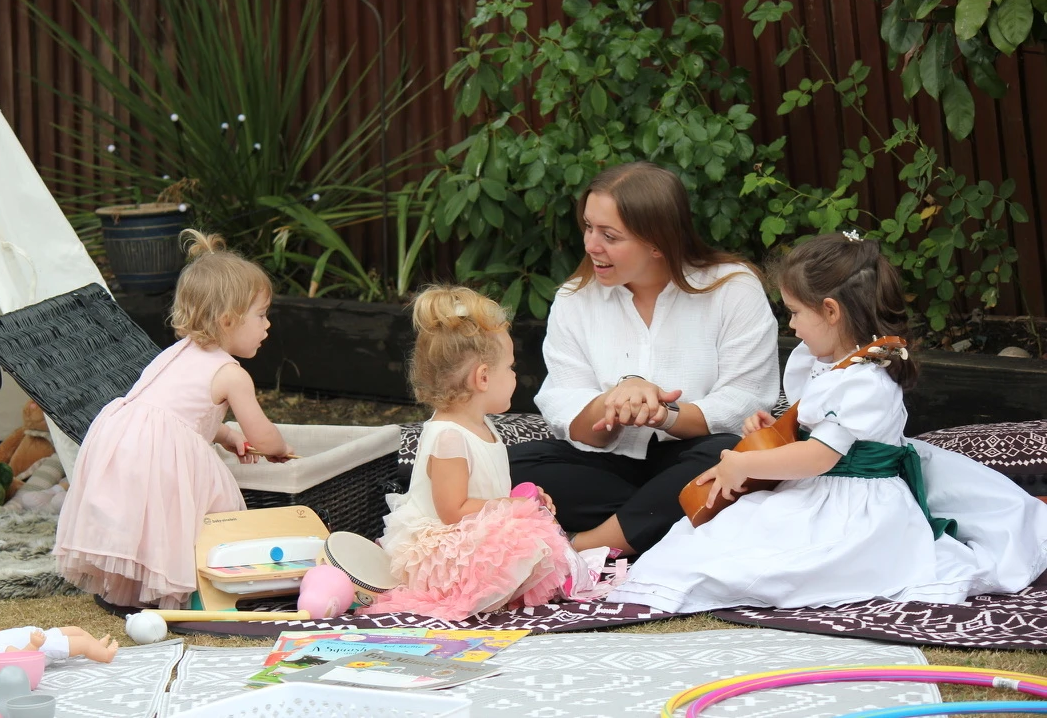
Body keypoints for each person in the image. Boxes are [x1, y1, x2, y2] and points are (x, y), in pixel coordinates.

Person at [608, 232, 1045, 613]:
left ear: (832, 311)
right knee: (721, 539)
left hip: (852, 502)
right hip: (821, 485)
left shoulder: (866, 381)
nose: (792, 326)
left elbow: (820, 456)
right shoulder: (832, 364)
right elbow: (819, 427)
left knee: (773, 560)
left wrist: (744, 465)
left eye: (796, 312)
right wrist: (778, 428)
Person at [508, 161, 779, 556]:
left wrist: (663, 415)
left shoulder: (733, 289)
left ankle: (585, 546)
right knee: (493, 468)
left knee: (731, 454)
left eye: (609, 235)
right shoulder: (574, 299)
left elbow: (745, 400)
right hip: (605, 462)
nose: (590, 245)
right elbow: (564, 402)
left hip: (697, 455)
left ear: (657, 242)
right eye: (588, 226)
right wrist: (612, 403)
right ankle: (666, 516)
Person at [54, 230, 293, 609]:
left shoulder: (176, 353)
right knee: (190, 518)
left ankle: (134, 588)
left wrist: (227, 435)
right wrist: (279, 449)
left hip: (123, 445)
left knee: (145, 524)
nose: (267, 326)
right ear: (229, 320)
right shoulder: (232, 375)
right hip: (160, 456)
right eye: (261, 316)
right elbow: (263, 438)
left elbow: (182, 413)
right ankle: (192, 583)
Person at [361, 285, 573, 620]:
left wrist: (524, 502)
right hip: (441, 549)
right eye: (510, 367)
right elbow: (452, 510)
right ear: (483, 377)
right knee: (526, 540)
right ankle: (473, 594)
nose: (515, 375)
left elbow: (489, 495)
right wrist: (510, 507)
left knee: (534, 535)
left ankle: (500, 588)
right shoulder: (449, 436)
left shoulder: (482, 425)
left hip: (469, 533)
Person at [0, 625, 118, 677]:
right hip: (45, 645)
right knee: (82, 643)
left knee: (76, 630)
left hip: (44, 634)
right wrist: (34, 645)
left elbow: (6, 639)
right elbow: (23, 659)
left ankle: (96, 646)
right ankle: (105, 655)